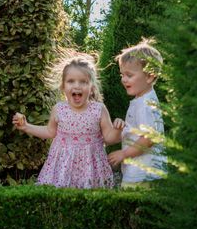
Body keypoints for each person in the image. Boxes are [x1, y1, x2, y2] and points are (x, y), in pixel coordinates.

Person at [12, 51, 124, 189]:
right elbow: (49, 132)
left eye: (83, 82)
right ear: (63, 86)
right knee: (59, 198)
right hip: (62, 167)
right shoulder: (59, 109)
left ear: (92, 87)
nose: (76, 86)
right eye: (71, 81)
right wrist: (26, 127)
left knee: (90, 200)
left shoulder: (99, 110)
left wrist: (118, 130)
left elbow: (109, 138)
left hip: (91, 169)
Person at [107, 39, 167, 188]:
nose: (123, 79)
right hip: (144, 171)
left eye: (129, 75)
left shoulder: (145, 104)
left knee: (131, 206)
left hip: (142, 172)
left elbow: (149, 137)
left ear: (149, 76)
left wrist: (124, 154)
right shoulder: (143, 100)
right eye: (122, 75)